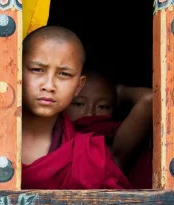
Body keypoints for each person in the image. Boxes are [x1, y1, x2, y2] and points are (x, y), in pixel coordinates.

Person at [20, 26, 130, 190]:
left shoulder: (91, 155)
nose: (49, 86)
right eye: (37, 70)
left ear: (78, 86)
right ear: (15, 71)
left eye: (64, 74)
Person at [65, 71, 153, 189]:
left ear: (114, 110)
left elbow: (150, 98)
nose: (90, 113)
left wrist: (121, 91)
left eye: (102, 106)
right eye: (79, 104)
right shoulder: (51, 139)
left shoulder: (113, 146)